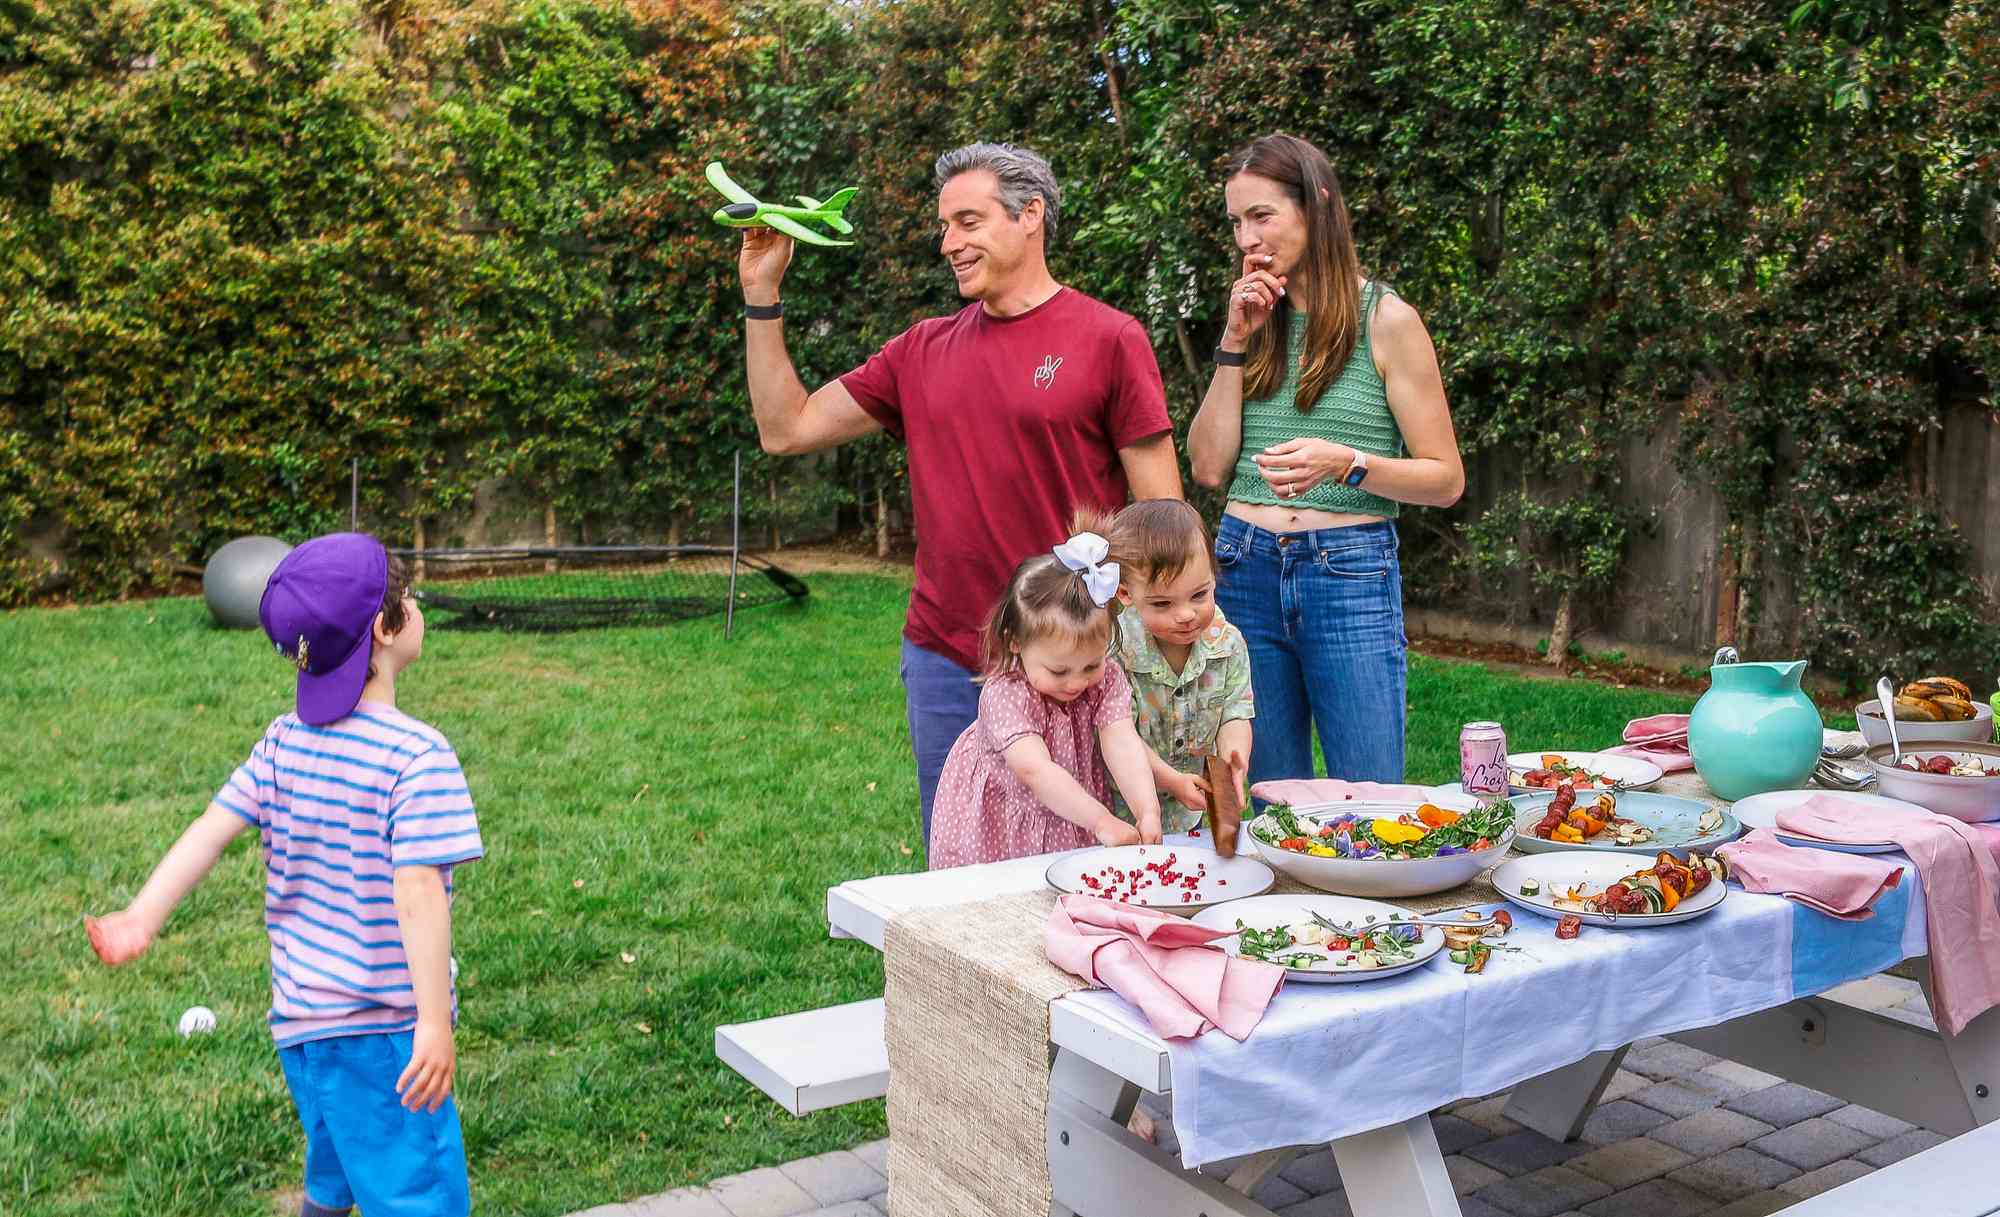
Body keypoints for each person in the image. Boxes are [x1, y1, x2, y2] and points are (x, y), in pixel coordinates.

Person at [734, 141, 1181, 849]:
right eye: (945, 226)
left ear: (1030, 214)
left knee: (1082, 862)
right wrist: (762, 294)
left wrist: (1161, 656)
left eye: (966, 222)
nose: (949, 243)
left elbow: (1164, 524)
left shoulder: (1110, 338)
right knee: (957, 867)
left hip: (1073, 665)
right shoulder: (919, 350)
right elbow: (784, 428)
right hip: (946, 660)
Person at [85, 534, 483, 1217]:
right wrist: (430, 1023)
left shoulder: (280, 743)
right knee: (416, 1191)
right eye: (408, 596)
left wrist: (141, 915)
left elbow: (209, 830)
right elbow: (417, 890)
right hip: (385, 1031)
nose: (415, 605)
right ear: (388, 629)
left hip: (302, 1024)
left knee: (335, 1138)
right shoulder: (419, 756)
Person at [1186, 134, 1465, 791]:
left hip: (1348, 573)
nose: (1247, 239)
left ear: (1318, 207)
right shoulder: (1252, 323)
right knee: (1272, 800)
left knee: (1369, 799)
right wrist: (1232, 340)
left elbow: (1446, 477)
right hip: (1243, 568)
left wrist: (1348, 463)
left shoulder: (1387, 320)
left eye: (1262, 216)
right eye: (1235, 222)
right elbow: (1206, 465)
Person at [927, 533, 1164, 869]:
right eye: (1059, 670)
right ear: (1015, 643)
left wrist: (1147, 809)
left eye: (1091, 665)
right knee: (1003, 901)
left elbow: (1122, 742)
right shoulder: (1005, 695)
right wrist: (1100, 821)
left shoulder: (1106, 678)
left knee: (1065, 888)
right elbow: (1034, 770)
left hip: (1072, 806)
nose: (1077, 682)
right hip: (1006, 815)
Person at [1094, 499, 1254, 833]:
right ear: (1125, 593)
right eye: (1163, 603)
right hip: (1119, 815)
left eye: (1199, 595)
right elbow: (1120, 737)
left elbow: (1235, 713)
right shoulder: (1115, 653)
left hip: (1187, 818)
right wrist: (1173, 781)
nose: (1185, 614)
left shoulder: (1227, 644)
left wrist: (1233, 755)